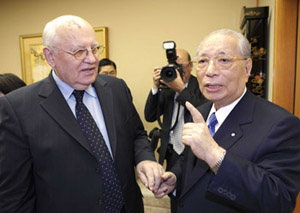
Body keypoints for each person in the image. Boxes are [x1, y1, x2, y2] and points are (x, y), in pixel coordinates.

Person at [0, 15, 164, 213]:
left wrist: (145, 159)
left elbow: (137, 134)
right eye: (79, 52)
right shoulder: (17, 107)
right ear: (50, 56)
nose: (92, 59)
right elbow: (14, 195)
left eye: (94, 49)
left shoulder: (116, 88)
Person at [154, 29, 300, 212]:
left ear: (247, 68)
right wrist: (175, 177)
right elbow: (188, 159)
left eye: (224, 60)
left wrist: (215, 155)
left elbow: (279, 201)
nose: (210, 71)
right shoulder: (200, 112)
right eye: (203, 61)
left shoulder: (280, 124)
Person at [144, 49, 206, 212]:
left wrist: (181, 90)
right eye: (173, 66)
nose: (177, 70)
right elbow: (150, 116)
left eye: (181, 66)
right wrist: (156, 88)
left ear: (191, 66)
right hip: (172, 152)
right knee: (174, 196)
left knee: (193, 196)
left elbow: (203, 113)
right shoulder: (167, 85)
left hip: (195, 153)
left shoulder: (201, 84)